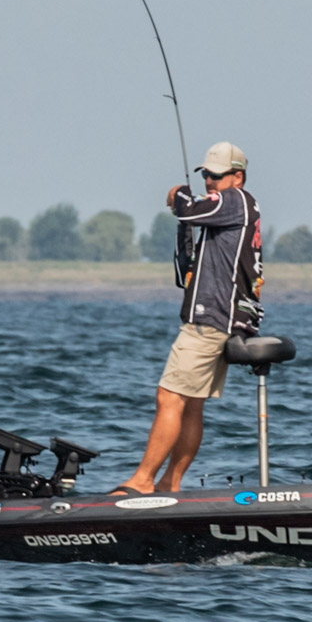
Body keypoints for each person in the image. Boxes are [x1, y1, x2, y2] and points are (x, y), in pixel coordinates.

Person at [111, 142, 263, 495]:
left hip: (210, 318)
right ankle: (170, 483)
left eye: (216, 176)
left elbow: (187, 208)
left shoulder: (235, 200)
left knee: (169, 398)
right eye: (206, 175)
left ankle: (142, 481)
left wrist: (178, 192)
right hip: (224, 318)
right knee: (191, 404)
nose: (209, 181)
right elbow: (187, 267)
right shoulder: (230, 210)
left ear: (237, 177)